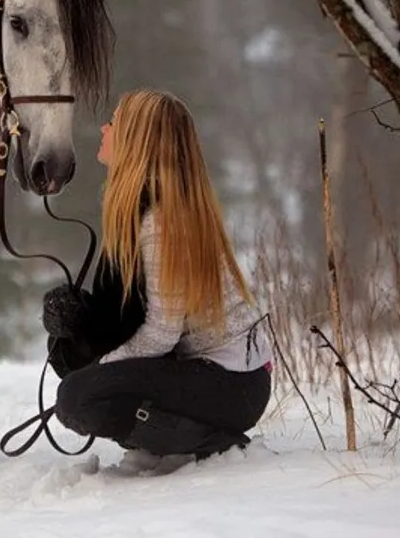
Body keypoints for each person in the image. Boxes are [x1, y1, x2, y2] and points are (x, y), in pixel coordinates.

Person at [42, 89, 272, 472]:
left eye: (114, 122)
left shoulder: (163, 222)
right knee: (69, 351)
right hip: (214, 377)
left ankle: (208, 439)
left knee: (77, 399)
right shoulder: (147, 209)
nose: (104, 128)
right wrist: (78, 323)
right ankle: (172, 435)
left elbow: (162, 332)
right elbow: (126, 313)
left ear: (136, 139)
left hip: (234, 385)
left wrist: (102, 367)